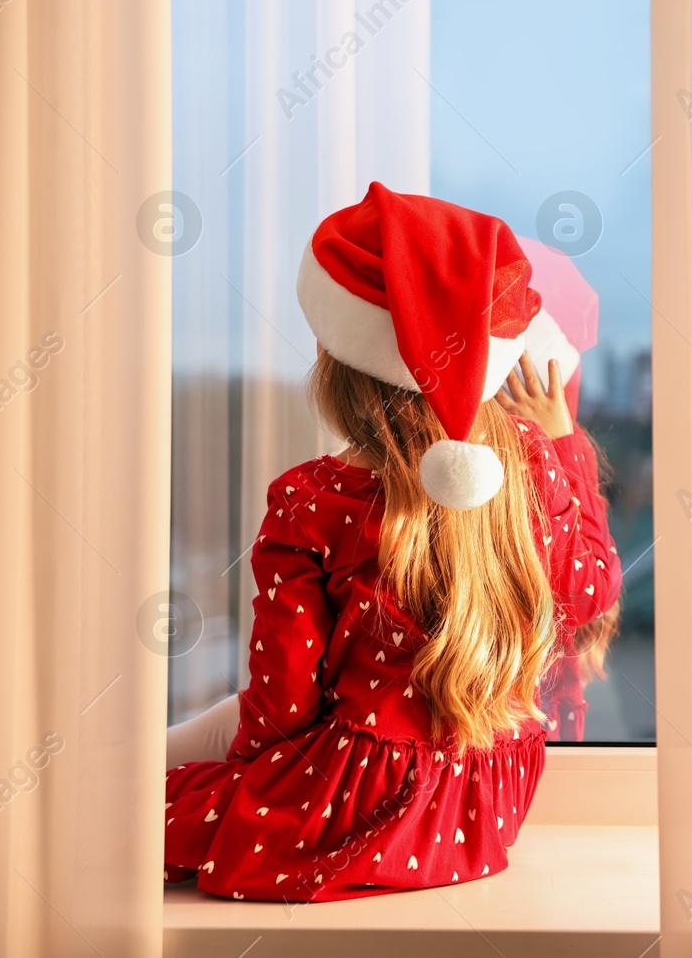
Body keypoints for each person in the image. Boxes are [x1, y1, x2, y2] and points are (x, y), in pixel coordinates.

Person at [162, 183, 621, 901]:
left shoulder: (312, 499)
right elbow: (589, 590)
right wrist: (566, 446)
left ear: (339, 365)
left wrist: (250, 780)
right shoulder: (532, 464)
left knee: (139, 813)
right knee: (187, 760)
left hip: (367, 801)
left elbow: (281, 703)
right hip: (485, 802)